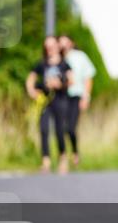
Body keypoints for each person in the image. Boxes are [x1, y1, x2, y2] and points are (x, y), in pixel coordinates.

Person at [26, 36, 74, 174]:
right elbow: (31, 78)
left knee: (60, 130)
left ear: (57, 47)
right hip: (45, 101)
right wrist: (32, 91)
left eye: (52, 46)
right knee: (44, 129)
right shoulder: (42, 63)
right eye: (47, 47)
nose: (49, 49)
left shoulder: (64, 64)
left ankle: (63, 159)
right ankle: (45, 161)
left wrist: (60, 84)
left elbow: (72, 80)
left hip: (60, 100)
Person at [58, 34, 96, 166]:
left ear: (71, 43)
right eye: (60, 43)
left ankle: (75, 152)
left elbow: (88, 77)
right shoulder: (58, 58)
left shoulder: (80, 56)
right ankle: (62, 157)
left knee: (71, 128)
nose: (63, 45)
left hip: (75, 95)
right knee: (60, 127)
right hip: (61, 96)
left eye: (65, 42)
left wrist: (86, 96)